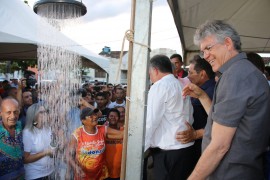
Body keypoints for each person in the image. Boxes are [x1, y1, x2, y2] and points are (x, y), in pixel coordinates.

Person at [184, 20, 270, 180]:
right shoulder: (241, 72)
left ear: (228, 43)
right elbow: (223, 121)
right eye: (203, 51)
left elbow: (219, 146)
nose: (206, 56)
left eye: (208, 48)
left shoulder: (236, 76)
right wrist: (202, 96)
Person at [144, 54, 194, 180]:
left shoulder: (159, 86)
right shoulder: (182, 84)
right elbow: (190, 116)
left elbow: (151, 121)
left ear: (155, 70)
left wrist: (141, 148)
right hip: (185, 147)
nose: (150, 76)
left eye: (149, 73)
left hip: (168, 151)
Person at [176, 55, 216, 166]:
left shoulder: (212, 92)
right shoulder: (199, 90)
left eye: (190, 73)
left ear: (202, 74)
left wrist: (196, 134)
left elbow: (219, 123)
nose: (188, 77)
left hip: (205, 144)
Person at [66, 107, 123, 180]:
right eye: (91, 116)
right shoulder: (77, 135)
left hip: (101, 175)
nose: (95, 117)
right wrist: (76, 168)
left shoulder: (102, 129)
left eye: (95, 115)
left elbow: (121, 134)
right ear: (83, 120)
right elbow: (68, 155)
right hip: (83, 176)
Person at [23, 103, 55, 180]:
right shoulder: (27, 133)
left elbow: (52, 145)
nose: (45, 114)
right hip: (35, 175)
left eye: (45, 112)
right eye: (41, 112)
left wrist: (55, 146)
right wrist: (45, 152)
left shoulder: (48, 128)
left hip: (50, 171)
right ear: (34, 115)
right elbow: (25, 159)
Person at [0, 97, 25, 179]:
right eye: (8, 112)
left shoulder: (19, 126)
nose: (13, 116)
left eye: (15, 112)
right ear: (1, 113)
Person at [105, 108, 124, 180]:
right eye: (111, 116)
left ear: (119, 118)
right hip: (105, 173)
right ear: (107, 118)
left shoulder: (123, 131)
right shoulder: (102, 131)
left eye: (116, 116)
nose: (113, 118)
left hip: (121, 172)